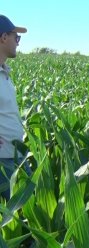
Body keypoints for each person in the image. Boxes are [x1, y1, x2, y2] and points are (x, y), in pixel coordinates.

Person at [0, 15, 28, 200]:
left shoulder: (4, 72)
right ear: (3, 37)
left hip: (15, 155)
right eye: (16, 38)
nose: (18, 43)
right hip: (3, 160)